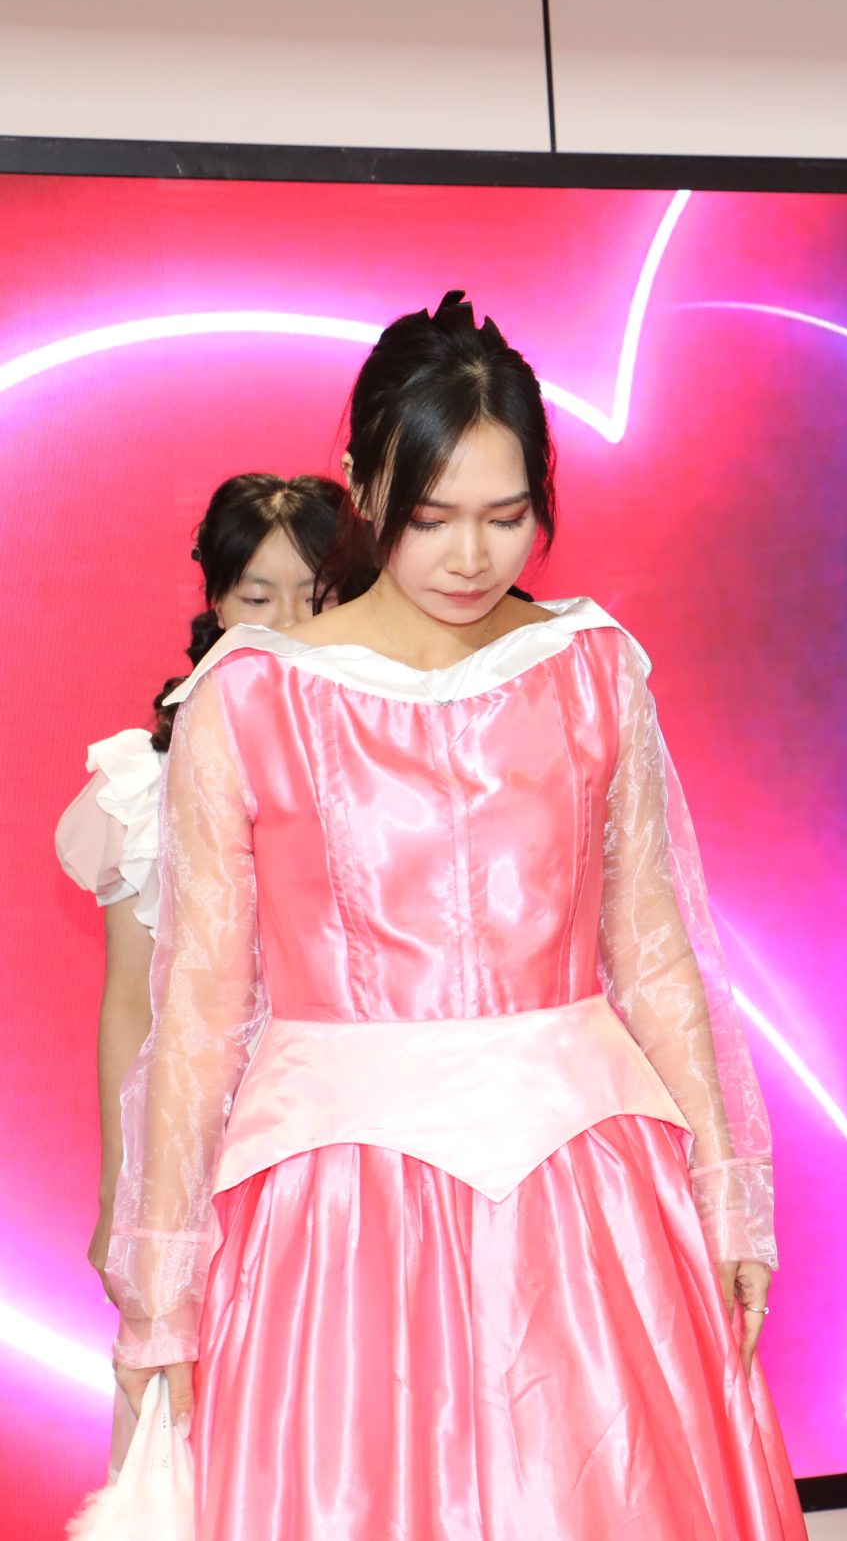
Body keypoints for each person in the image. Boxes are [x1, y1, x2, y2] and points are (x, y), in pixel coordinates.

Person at [103, 291, 805, 1538]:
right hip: (336, 1206)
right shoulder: (252, 696)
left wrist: (726, 1191)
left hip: (586, 1186)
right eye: (432, 518)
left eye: (507, 515)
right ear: (363, 482)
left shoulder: (592, 669)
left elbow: (655, 955)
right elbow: (199, 1012)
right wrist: (163, 1285)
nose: (473, 557)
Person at [58, 474, 342, 1295]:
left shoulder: (393, 770)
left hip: (347, 1132)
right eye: (258, 597)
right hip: (203, 1143)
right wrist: (120, 1194)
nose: (289, 626)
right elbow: (131, 1004)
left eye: (317, 598)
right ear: (217, 602)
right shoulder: (145, 783)